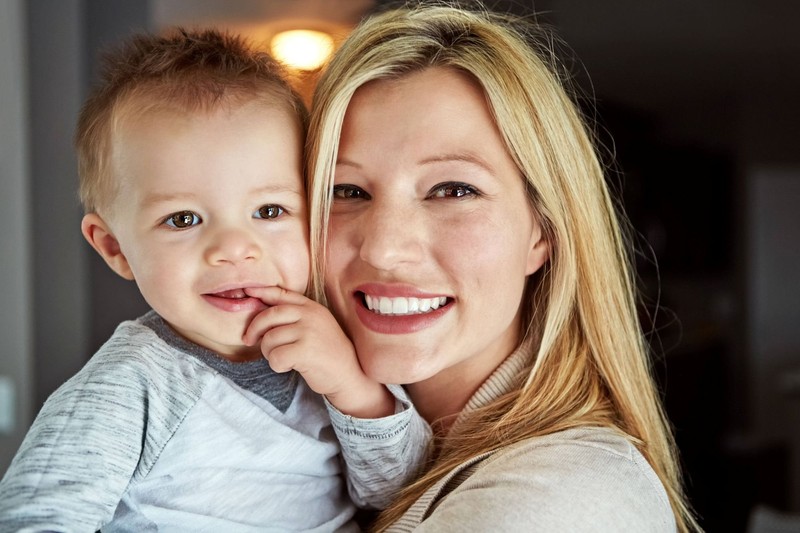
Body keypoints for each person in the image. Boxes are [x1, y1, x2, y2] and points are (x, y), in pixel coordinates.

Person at [0, 28, 429, 532]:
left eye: (269, 210)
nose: (233, 248)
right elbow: (35, 517)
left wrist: (356, 393)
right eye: (183, 219)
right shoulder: (131, 385)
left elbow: (406, 493)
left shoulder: (336, 348)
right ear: (115, 247)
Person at [307, 3, 699, 532]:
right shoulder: (308, 440)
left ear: (543, 231)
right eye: (347, 190)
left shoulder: (560, 499)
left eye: (453, 189)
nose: (383, 248)